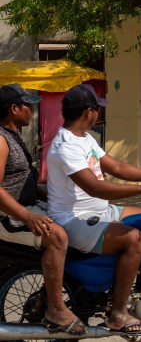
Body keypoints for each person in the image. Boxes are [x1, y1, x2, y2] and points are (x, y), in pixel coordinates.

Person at [46, 84, 141, 335]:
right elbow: (97, 188)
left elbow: (116, 167)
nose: (99, 114)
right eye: (97, 109)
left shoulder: (85, 139)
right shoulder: (66, 146)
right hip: (74, 219)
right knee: (135, 239)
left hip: (100, 211)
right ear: (88, 112)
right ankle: (117, 314)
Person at [0, 84, 86, 336]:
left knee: (76, 220)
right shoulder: (2, 140)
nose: (32, 110)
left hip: (27, 206)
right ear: (14, 109)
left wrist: (67, 197)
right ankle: (56, 309)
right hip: (9, 216)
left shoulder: (15, 137)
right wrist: (28, 216)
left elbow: (26, 184)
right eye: (27, 105)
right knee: (57, 236)